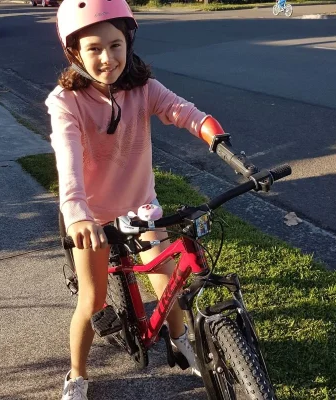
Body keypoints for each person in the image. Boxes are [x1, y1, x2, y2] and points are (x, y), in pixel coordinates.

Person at [46, 0, 228, 398]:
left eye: (115, 45)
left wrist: (212, 132)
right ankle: (76, 375)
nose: (107, 58)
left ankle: (180, 341)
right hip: (89, 217)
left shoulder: (142, 89)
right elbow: (69, 163)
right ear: (74, 52)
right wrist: (77, 215)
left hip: (138, 206)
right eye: (93, 48)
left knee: (167, 284)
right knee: (92, 301)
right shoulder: (65, 103)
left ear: (127, 42)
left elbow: (181, 110)